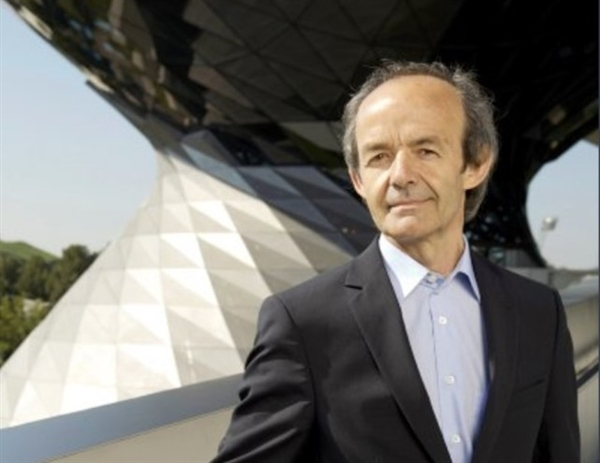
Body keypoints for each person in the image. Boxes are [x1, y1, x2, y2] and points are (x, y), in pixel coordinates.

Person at [211, 61, 580, 463]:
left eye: (425, 150)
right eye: (379, 157)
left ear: (475, 164)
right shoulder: (302, 322)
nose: (400, 175)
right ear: (358, 179)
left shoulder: (538, 311)